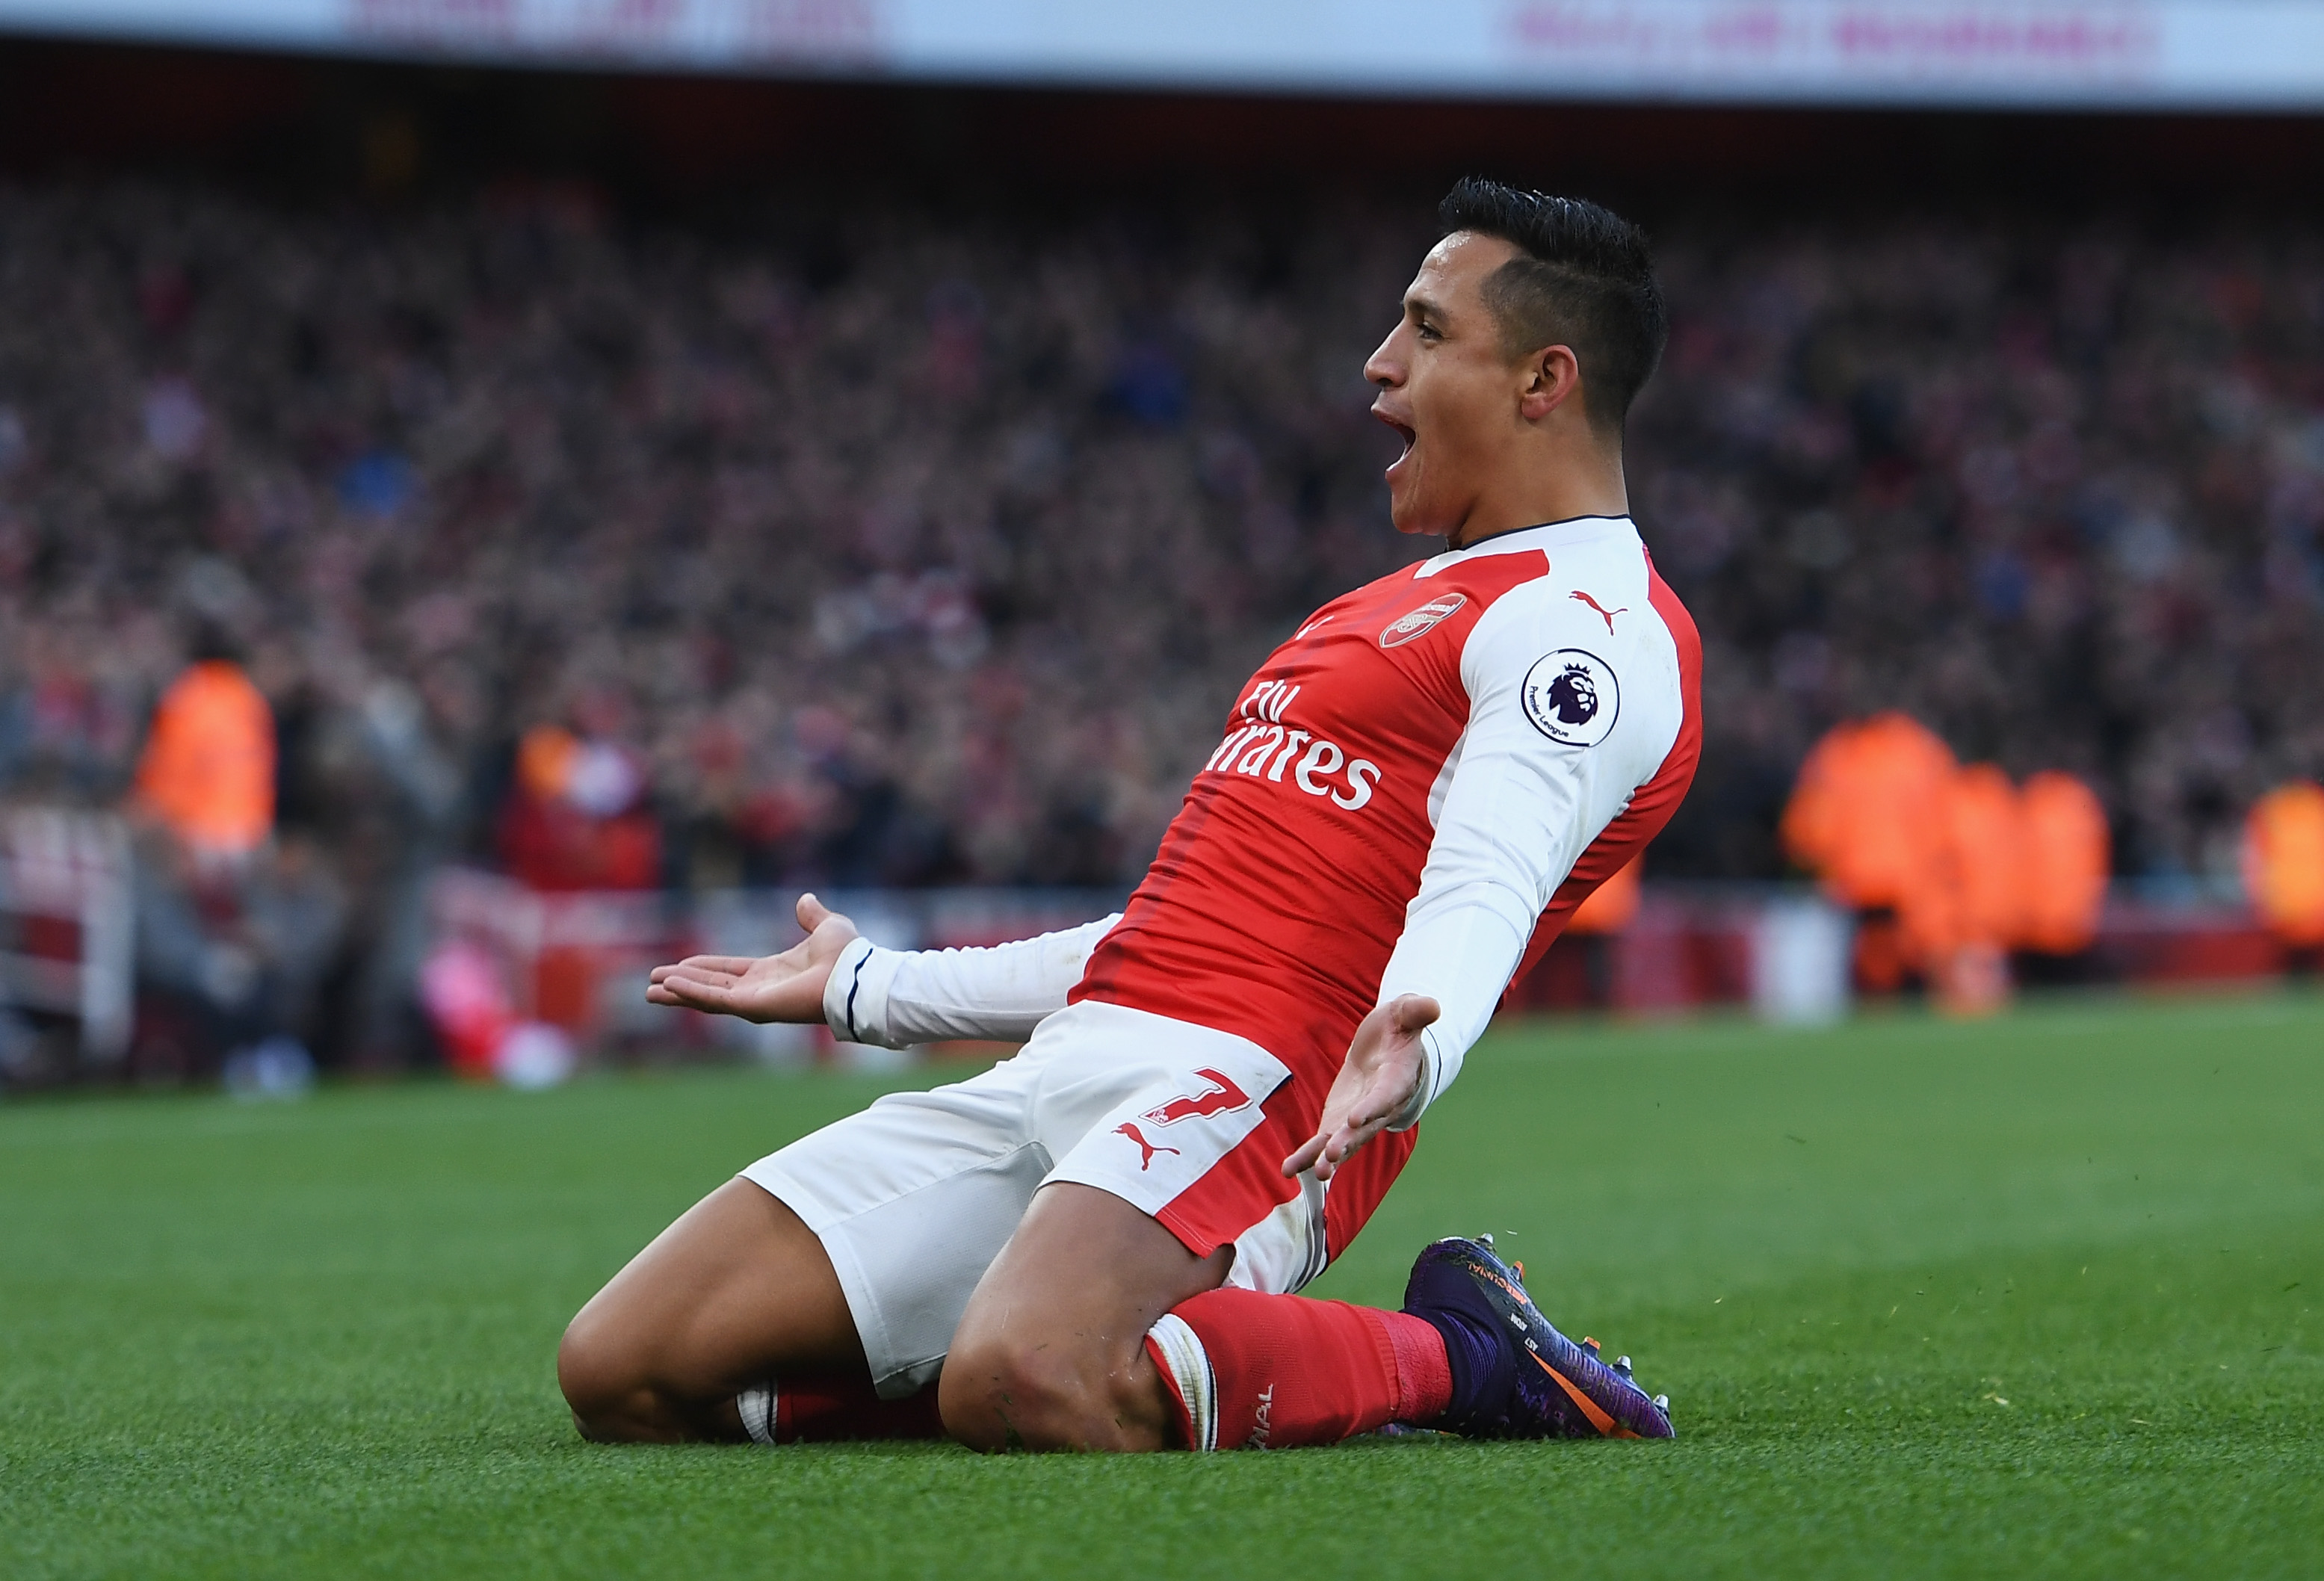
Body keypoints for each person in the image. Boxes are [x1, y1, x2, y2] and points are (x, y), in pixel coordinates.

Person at [558, 179, 1702, 1453]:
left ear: (1543, 382)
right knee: (628, 1371)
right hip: (1068, 1065)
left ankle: (1470, 1356)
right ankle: (1025, 1357)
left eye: (1427, 333)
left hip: (1272, 1088)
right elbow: (1164, 935)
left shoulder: (1586, 624)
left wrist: (1416, 1040)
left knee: (1034, 1379)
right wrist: (870, 989)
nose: (1378, 367)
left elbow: (1489, 868)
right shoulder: (1368, 613)